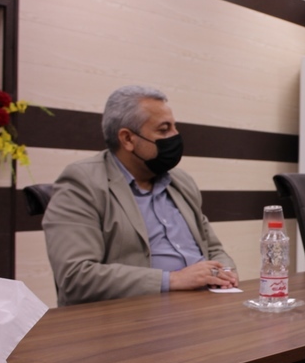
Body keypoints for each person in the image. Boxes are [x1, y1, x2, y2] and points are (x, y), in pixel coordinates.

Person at [43, 85, 238, 306]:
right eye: (164, 130)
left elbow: (212, 248)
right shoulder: (82, 182)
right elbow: (76, 276)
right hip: (136, 314)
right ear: (127, 139)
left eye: (175, 127)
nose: (175, 136)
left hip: (206, 306)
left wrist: (225, 273)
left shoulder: (180, 181)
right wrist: (172, 280)